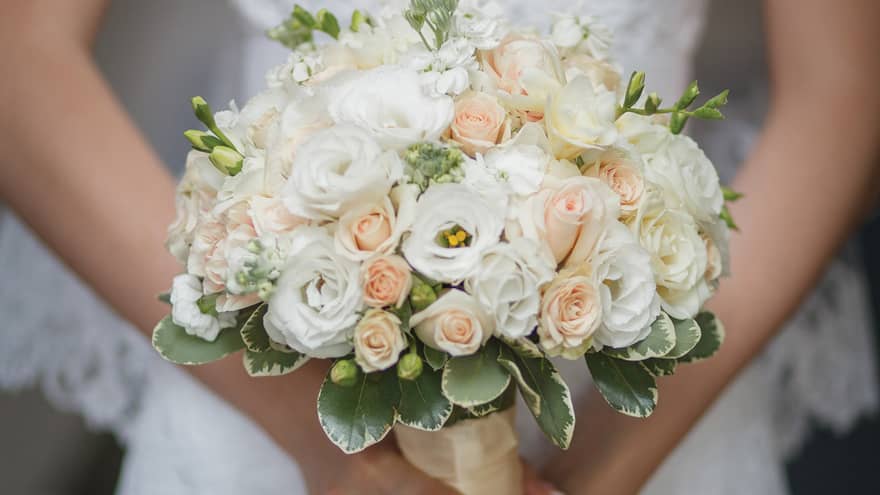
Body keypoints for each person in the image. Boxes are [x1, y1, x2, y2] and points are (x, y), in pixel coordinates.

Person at [0, 1, 877, 494]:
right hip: (266, 399)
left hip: (651, 418)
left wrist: (600, 469)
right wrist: (327, 448)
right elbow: (20, 50)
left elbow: (843, 86)